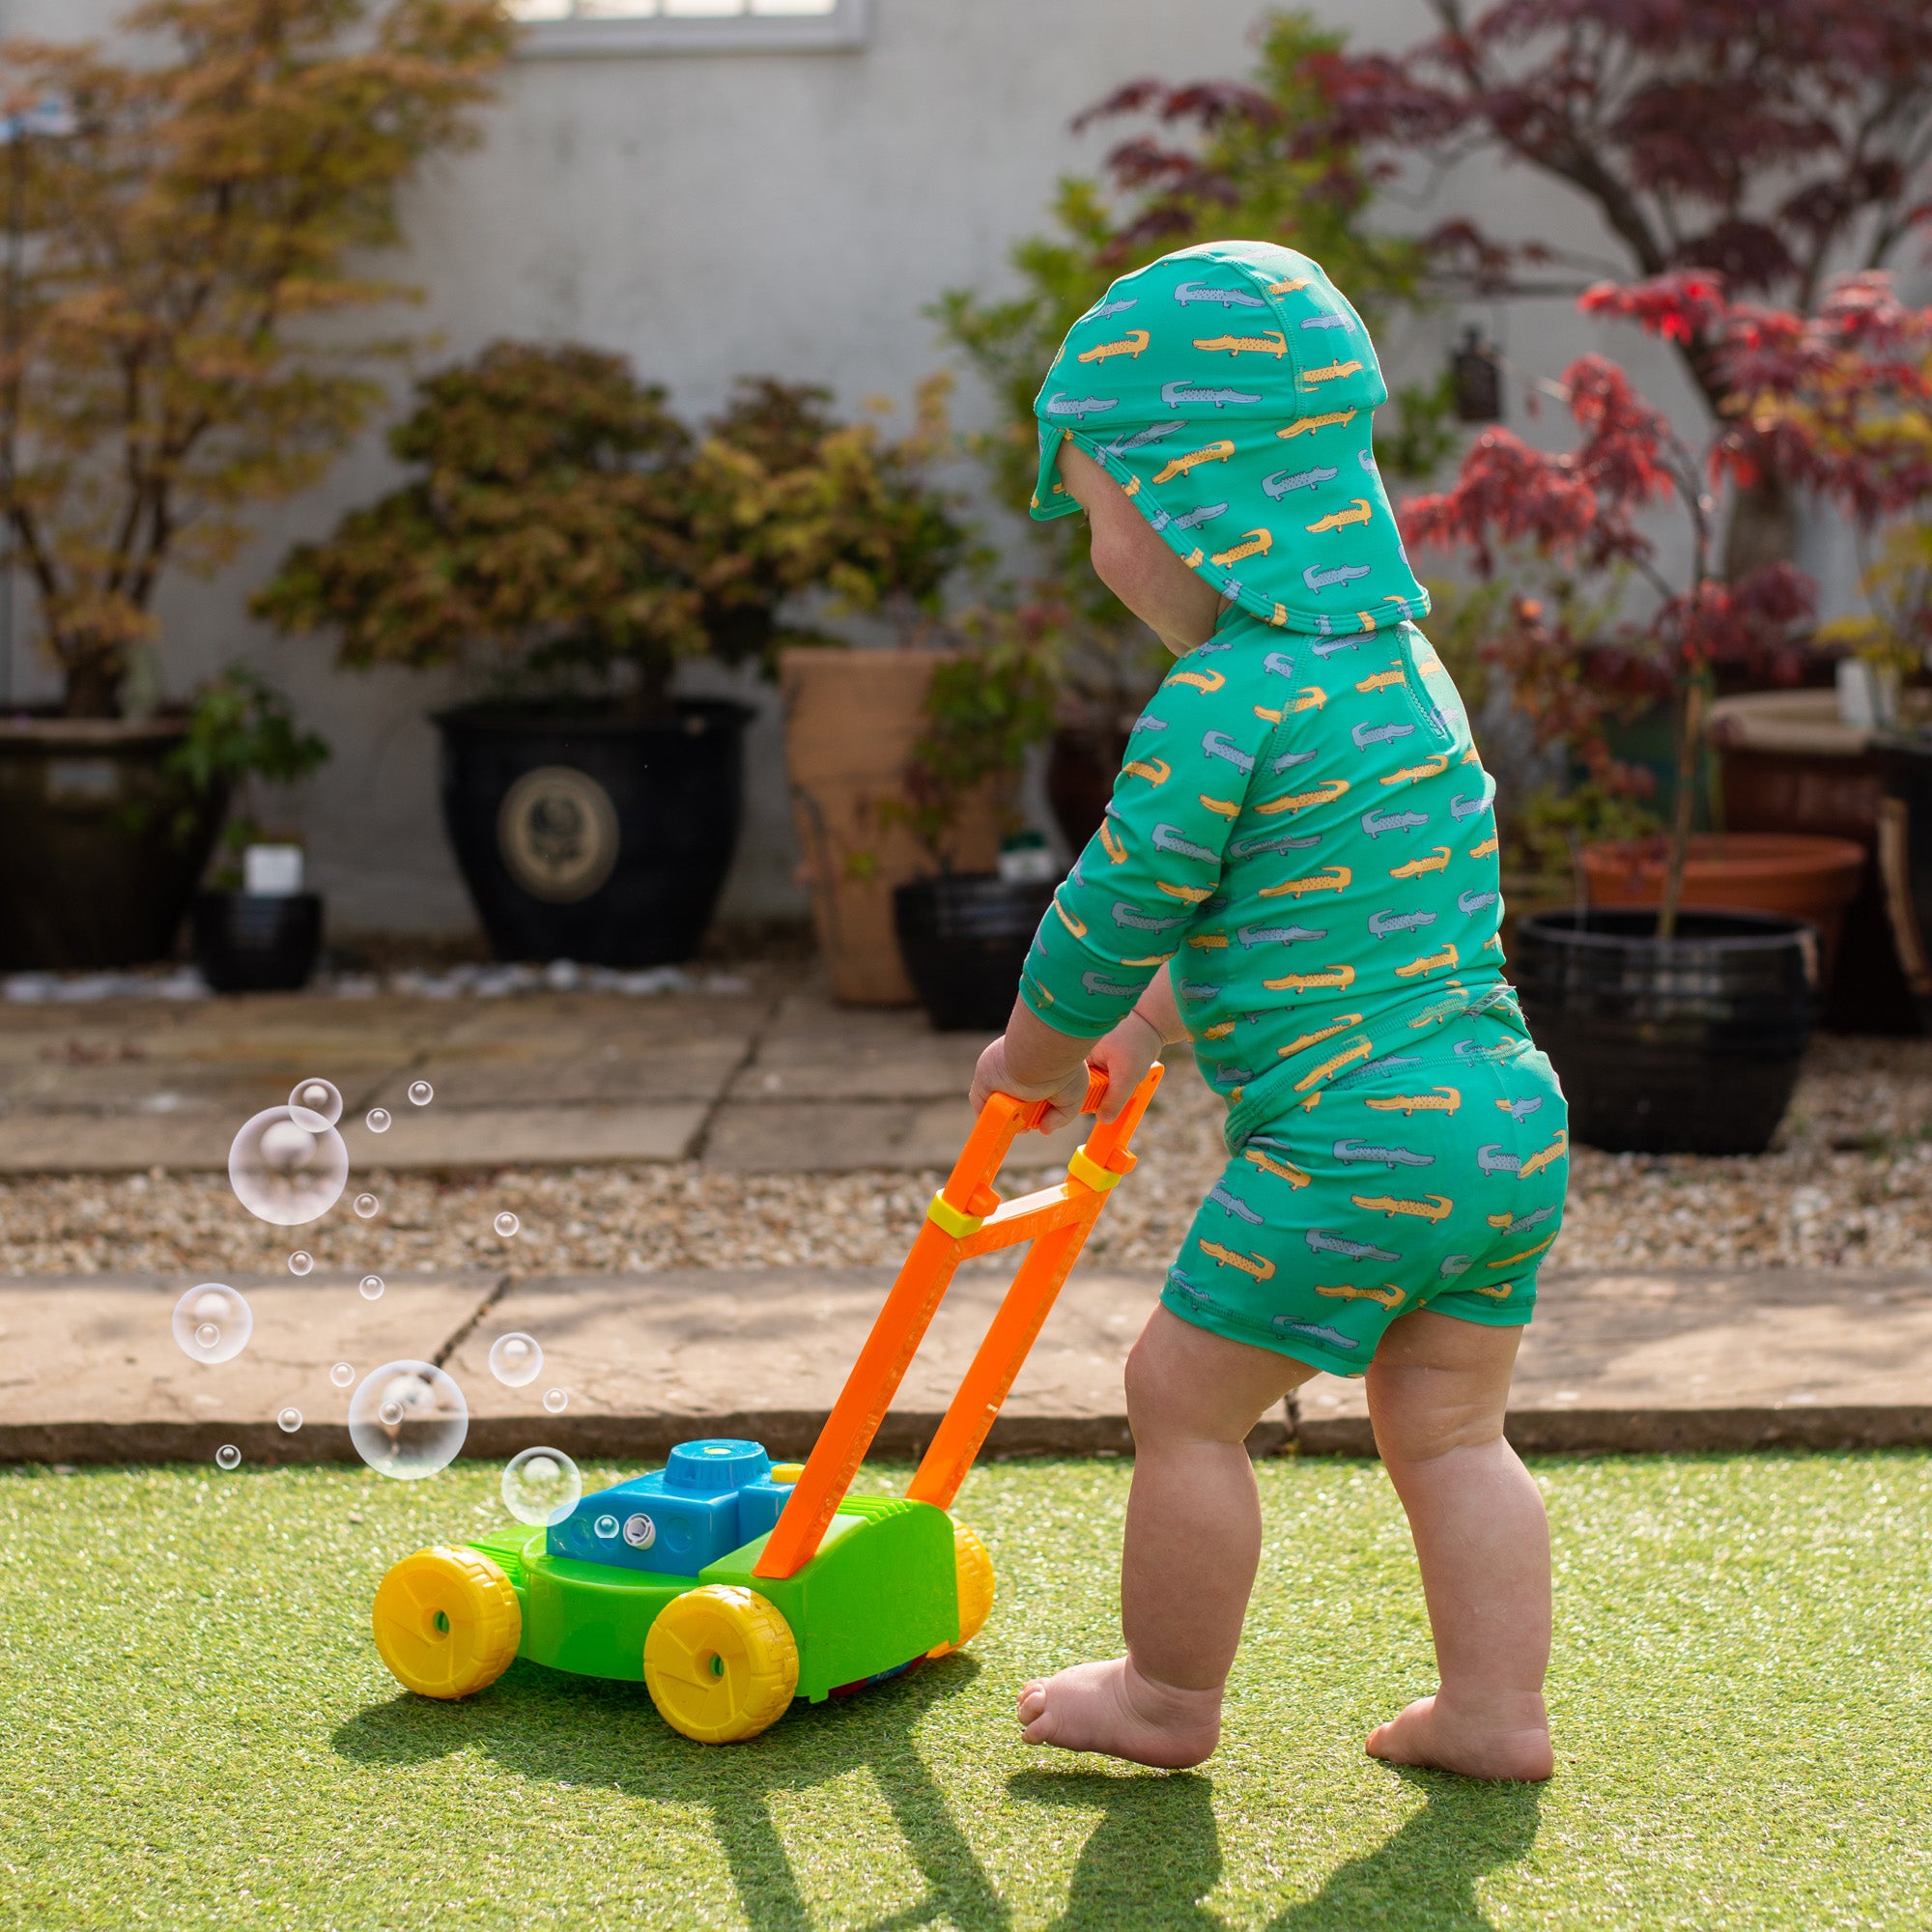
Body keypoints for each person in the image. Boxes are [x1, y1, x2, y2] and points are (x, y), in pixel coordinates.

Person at [968, 241, 1566, 1781]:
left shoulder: (1217, 703)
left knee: (1179, 1399)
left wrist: (1035, 1053)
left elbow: (1117, 904)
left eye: (1099, 511)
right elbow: (1315, 904)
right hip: (1501, 1119)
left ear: (1188, 500)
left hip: (1351, 1144)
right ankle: (1496, 1716)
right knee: (1448, 1429)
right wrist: (1154, 1030)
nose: (1100, 551)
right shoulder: (1403, 672)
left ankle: (1168, 1702)